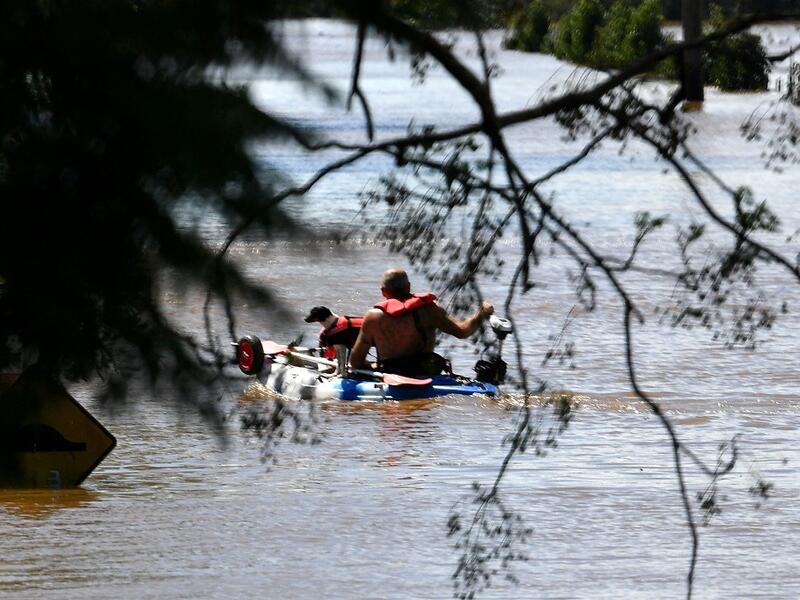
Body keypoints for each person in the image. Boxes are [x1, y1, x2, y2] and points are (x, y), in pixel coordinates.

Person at [349, 268, 494, 376]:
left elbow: (356, 362)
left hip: (390, 373)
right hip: (424, 371)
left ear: (383, 292)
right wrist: (481, 314)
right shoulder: (429, 310)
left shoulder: (373, 317)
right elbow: (463, 332)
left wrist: (374, 366)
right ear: (409, 287)